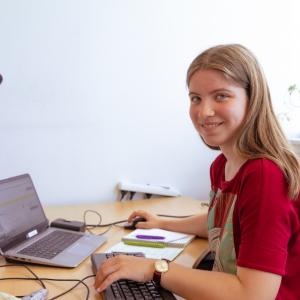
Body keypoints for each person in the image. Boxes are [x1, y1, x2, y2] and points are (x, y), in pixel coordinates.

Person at [94, 44, 300, 299]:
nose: (204, 112)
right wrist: (162, 224)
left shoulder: (264, 176)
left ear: (253, 98)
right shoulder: (223, 165)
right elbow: (224, 225)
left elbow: (253, 295)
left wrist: (155, 269)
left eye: (221, 96)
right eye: (196, 98)